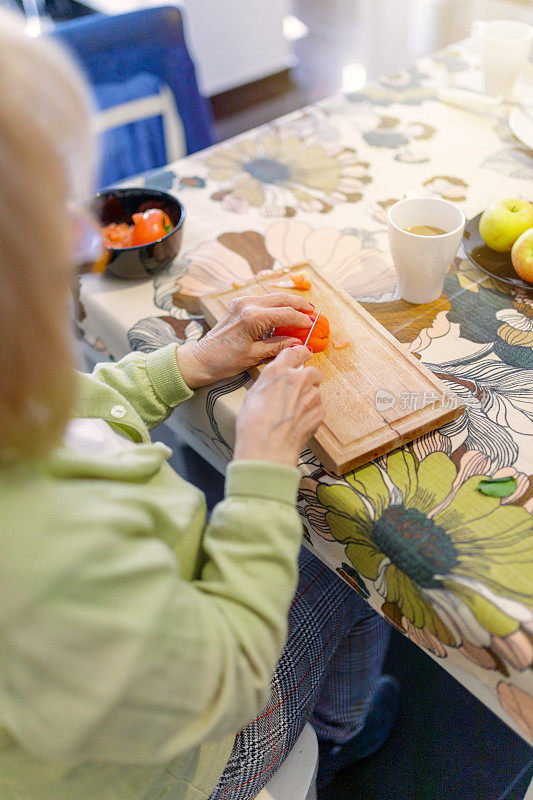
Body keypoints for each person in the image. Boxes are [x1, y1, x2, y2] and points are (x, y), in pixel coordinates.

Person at [0, 12, 399, 800]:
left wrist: (186, 363)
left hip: (94, 705)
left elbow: (53, 412)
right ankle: (336, 735)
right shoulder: (49, 554)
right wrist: (259, 470)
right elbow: (232, 672)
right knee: (356, 575)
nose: (87, 234)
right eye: (58, 214)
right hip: (179, 765)